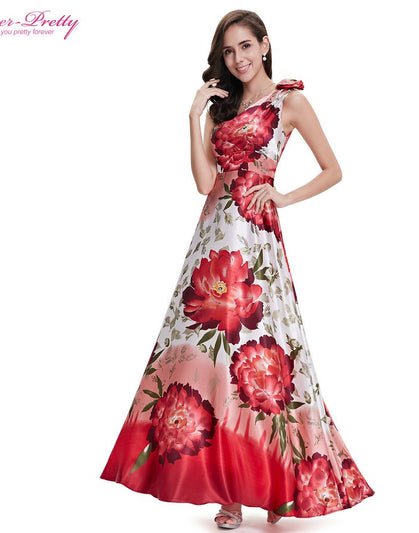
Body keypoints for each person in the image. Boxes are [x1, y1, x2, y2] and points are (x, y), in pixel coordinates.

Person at [100, 9, 375, 530]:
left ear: (265, 45)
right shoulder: (220, 109)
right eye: (228, 51)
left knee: (265, 365)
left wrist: (284, 196)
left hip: (256, 244)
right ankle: (229, 494)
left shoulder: (290, 102)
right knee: (210, 361)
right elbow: (205, 183)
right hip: (211, 241)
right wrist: (194, 117)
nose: (238, 58)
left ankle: (276, 487)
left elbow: (333, 170)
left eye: (246, 46)